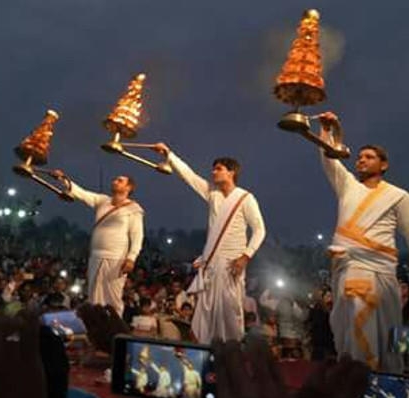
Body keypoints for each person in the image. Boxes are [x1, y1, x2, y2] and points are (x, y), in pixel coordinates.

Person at [316, 111, 409, 372]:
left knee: (383, 334)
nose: (361, 160)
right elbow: (329, 159)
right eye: (360, 156)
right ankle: (354, 376)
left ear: (384, 165)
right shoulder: (348, 186)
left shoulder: (399, 196)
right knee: (347, 332)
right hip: (344, 268)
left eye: (369, 157)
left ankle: (369, 379)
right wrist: (327, 131)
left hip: (378, 271)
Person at [153, 143, 266, 343]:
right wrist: (169, 154)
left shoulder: (246, 198)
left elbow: (259, 230)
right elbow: (188, 176)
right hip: (211, 263)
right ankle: (206, 349)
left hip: (233, 262)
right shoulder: (212, 193)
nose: (213, 172)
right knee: (205, 311)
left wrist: (245, 256)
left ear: (231, 172)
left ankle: (231, 348)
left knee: (229, 310)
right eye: (213, 169)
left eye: (218, 169)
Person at [56, 172, 144, 317]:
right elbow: (81, 193)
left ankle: (114, 326)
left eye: (120, 180)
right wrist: (62, 178)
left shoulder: (133, 209)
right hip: (96, 256)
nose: (115, 181)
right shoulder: (102, 201)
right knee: (94, 295)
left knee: (112, 297)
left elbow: (137, 236)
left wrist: (131, 258)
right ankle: (96, 326)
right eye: (115, 179)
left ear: (129, 187)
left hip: (117, 258)